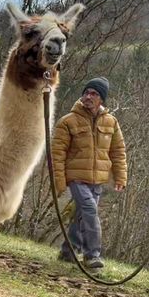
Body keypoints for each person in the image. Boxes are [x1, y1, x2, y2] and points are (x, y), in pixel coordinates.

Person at [52, 77, 127, 269]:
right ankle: (92, 255)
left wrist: (120, 176)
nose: (88, 96)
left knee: (81, 215)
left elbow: (118, 151)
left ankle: (68, 251)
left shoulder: (111, 122)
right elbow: (56, 154)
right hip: (76, 178)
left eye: (94, 93)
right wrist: (59, 182)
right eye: (86, 92)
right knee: (90, 211)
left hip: (98, 180)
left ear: (101, 99)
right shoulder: (67, 121)